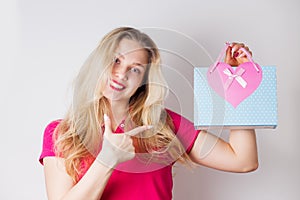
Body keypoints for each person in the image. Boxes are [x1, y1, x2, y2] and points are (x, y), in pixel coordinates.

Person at [39, 27, 258, 200]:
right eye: (116, 60)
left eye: (135, 69)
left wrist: (235, 85)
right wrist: (108, 159)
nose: (121, 74)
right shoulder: (62, 133)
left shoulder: (164, 125)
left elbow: (243, 160)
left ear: (143, 81)